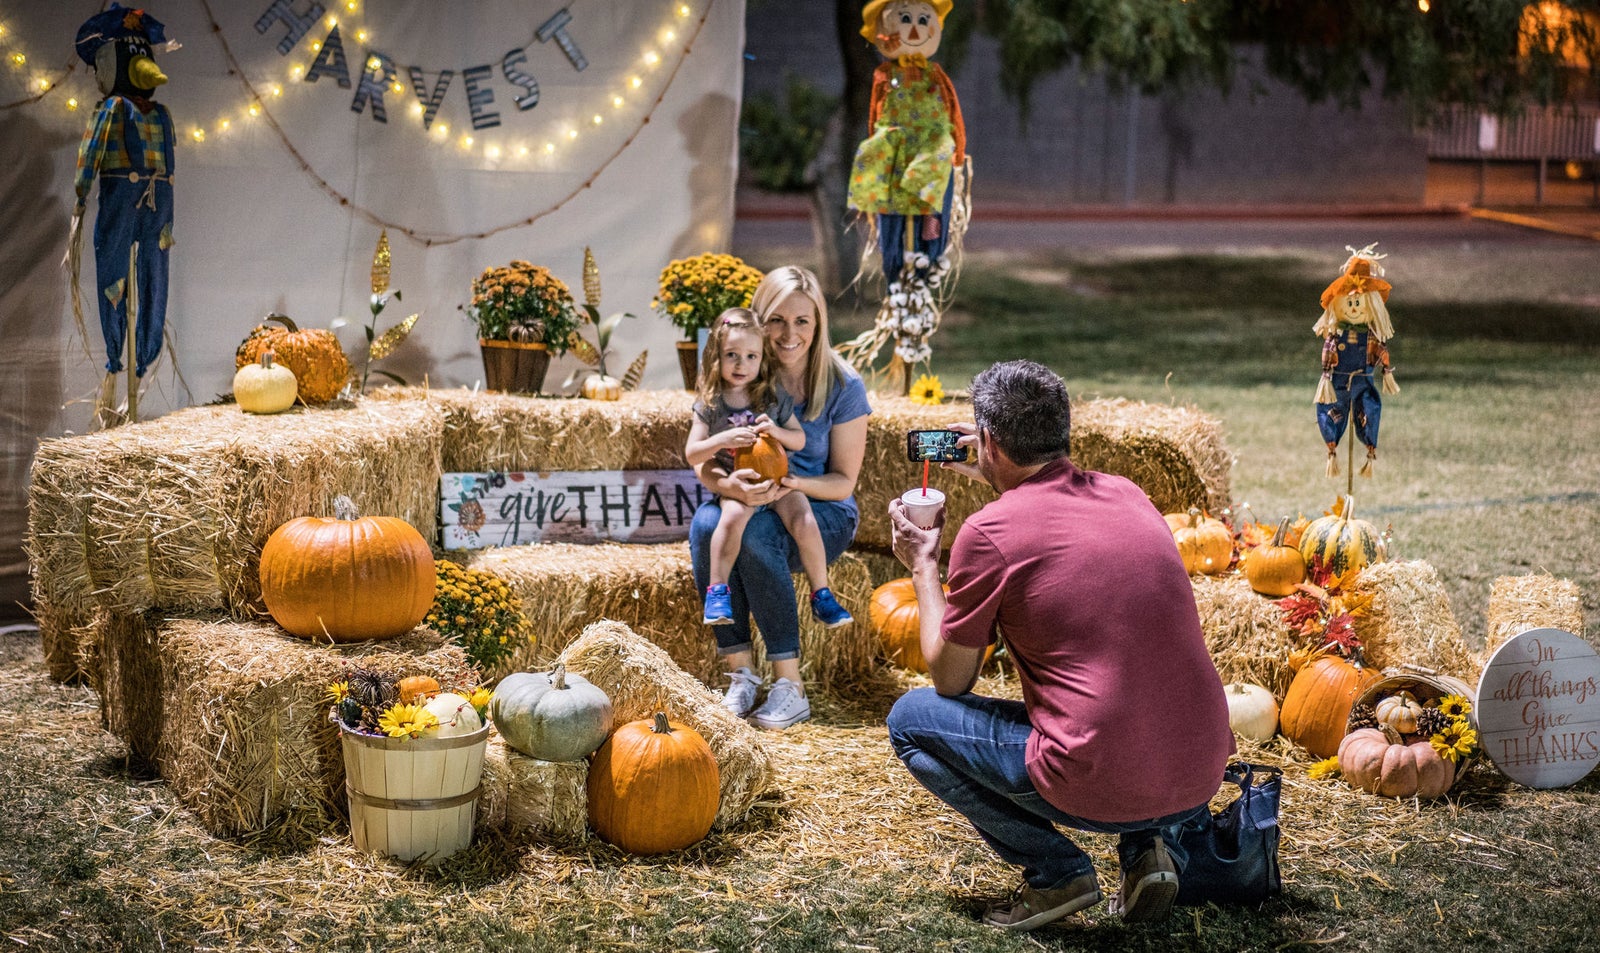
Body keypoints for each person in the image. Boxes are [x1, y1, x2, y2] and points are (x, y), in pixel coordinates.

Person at [884, 360, 1233, 931]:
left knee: (910, 719)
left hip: (1095, 779)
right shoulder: (1128, 494)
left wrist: (923, 565)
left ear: (987, 440)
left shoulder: (989, 533)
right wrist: (999, 470)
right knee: (1117, 682)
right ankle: (1149, 853)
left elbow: (951, 679)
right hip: (1199, 776)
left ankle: (1056, 873)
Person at [688, 266, 872, 730]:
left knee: (756, 534)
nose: (790, 334)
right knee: (706, 525)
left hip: (818, 507)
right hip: (750, 494)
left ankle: (789, 684)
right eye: (776, 320)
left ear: (819, 325)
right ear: (758, 320)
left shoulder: (844, 386)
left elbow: (843, 482)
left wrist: (792, 485)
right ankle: (741, 675)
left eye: (803, 322)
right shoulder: (738, 373)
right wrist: (727, 486)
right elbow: (703, 459)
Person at [685, 308, 852, 630]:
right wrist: (721, 440)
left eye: (750, 356)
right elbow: (692, 453)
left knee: (803, 518)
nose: (740, 364)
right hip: (741, 485)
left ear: (762, 359)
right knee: (730, 519)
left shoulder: (771, 397)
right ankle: (717, 591)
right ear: (716, 357)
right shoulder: (710, 403)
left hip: (778, 482)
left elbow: (799, 440)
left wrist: (777, 432)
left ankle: (822, 594)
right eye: (731, 355)